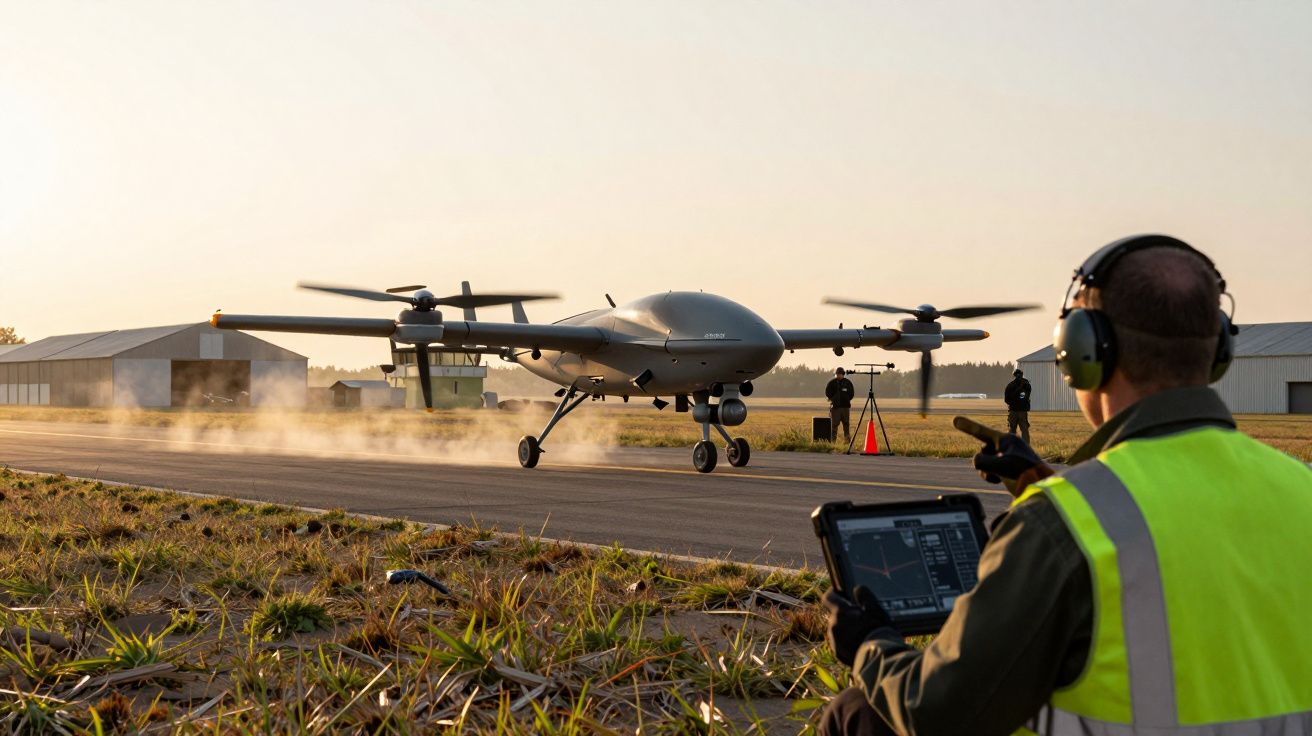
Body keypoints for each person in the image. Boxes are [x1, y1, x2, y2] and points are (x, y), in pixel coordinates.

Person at [818, 235, 1312, 735]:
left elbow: (936, 712)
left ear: (1082, 352)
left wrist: (870, 645)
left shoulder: (1062, 523)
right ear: (1219, 349)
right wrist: (1047, 484)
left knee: (855, 712)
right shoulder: (1302, 485)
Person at [826, 367, 856, 442]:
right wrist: (833, 399)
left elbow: (851, 394)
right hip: (835, 408)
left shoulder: (848, 383)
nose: (838, 375)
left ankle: (847, 442)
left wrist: (846, 399)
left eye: (840, 374)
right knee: (834, 426)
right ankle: (833, 442)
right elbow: (827, 393)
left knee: (846, 425)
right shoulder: (832, 383)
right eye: (837, 374)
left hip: (845, 408)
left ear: (843, 374)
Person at [1004, 368, 1032, 443]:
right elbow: (1026, 396)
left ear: (1014, 375)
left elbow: (1006, 400)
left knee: (1012, 430)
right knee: (1024, 430)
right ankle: (1026, 446)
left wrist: (1013, 402)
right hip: (1022, 411)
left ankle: (1012, 446)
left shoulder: (1010, 385)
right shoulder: (1026, 385)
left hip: (1013, 411)